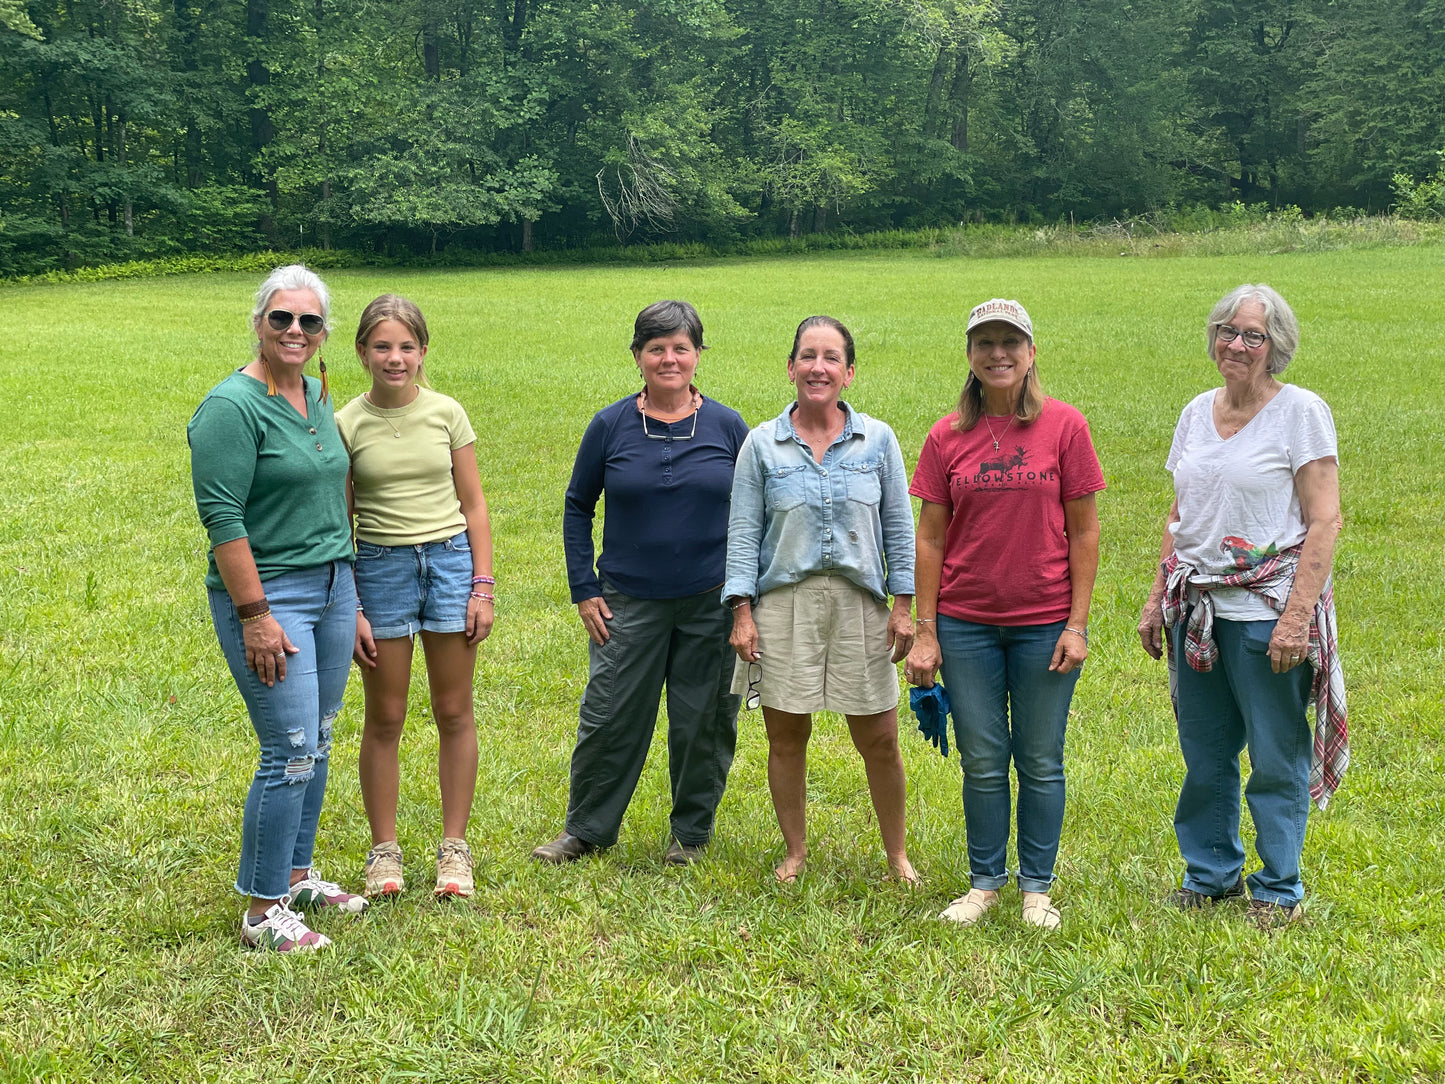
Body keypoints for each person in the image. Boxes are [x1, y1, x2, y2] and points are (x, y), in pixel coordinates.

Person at [1137, 283, 1346, 930]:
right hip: (1196, 608)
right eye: (1227, 330)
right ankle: (1210, 875)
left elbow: (1325, 520)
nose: (1236, 343)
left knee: (1275, 757)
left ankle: (1278, 887)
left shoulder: (1300, 412)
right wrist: (1156, 598)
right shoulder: (1195, 412)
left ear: (1274, 345)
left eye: (1252, 334)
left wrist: (1296, 617)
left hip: (1265, 613)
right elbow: (1181, 514)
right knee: (1205, 754)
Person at [906, 298, 1103, 930]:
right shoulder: (946, 436)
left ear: (1031, 352)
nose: (998, 354)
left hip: (1044, 621)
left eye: (1010, 342)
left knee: (1040, 759)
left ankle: (1036, 889)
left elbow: (1084, 531)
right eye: (985, 343)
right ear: (969, 355)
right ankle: (984, 884)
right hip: (965, 624)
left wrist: (1077, 624)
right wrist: (926, 631)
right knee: (983, 760)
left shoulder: (1065, 427)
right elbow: (929, 537)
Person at [188, 264, 367, 953]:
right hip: (272, 594)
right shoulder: (230, 407)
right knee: (289, 749)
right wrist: (255, 615)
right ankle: (262, 912)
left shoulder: (316, 391)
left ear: (324, 331)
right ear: (259, 322)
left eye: (309, 320)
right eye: (282, 317)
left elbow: (333, 493)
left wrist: (349, 595)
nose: (296, 330)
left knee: (318, 737)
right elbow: (222, 518)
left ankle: (296, 876)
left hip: (333, 586)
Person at [533, 300, 749, 866]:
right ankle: (586, 829)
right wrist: (584, 588)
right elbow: (578, 506)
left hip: (711, 601)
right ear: (637, 356)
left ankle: (691, 835)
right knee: (609, 716)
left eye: (681, 347)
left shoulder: (728, 427)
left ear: (698, 355)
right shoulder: (610, 426)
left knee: (704, 720)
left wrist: (746, 598)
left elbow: (755, 513)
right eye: (656, 348)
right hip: (626, 602)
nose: (669, 359)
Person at [724, 315, 918, 885]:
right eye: (808, 356)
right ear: (790, 368)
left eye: (832, 358)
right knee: (786, 738)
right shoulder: (762, 444)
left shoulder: (878, 441)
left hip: (862, 606)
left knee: (880, 738)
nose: (818, 367)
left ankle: (897, 855)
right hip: (785, 605)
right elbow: (743, 533)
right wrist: (742, 613)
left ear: (849, 373)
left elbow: (900, 529)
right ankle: (795, 852)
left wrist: (904, 605)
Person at [338, 295, 495, 899]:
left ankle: (455, 849)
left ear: (423, 351)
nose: (395, 358)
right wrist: (352, 605)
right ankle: (385, 852)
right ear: (362, 352)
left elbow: (474, 505)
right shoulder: (347, 423)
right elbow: (341, 522)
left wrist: (482, 585)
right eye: (382, 346)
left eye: (406, 346)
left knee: (454, 710)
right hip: (381, 569)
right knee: (386, 716)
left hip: (450, 563)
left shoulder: (446, 413)